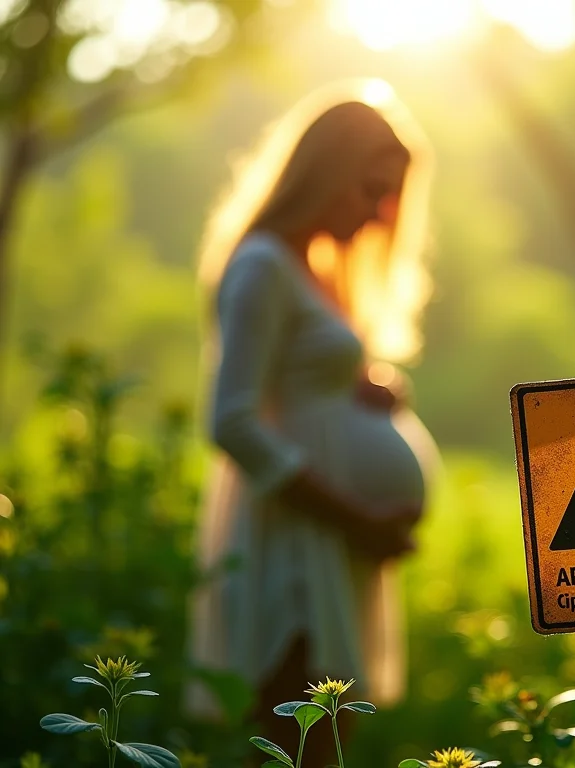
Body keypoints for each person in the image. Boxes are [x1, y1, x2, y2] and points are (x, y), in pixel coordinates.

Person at [185, 79, 438, 766]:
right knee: (298, 735)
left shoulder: (313, 267)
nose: (380, 212)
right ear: (326, 171)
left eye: (390, 196)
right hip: (295, 538)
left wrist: (369, 386)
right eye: (369, 188)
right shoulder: (263, 265)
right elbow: (232, 421)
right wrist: (354, 515)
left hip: (331, 536)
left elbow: (302, 379)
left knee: (329, 735)